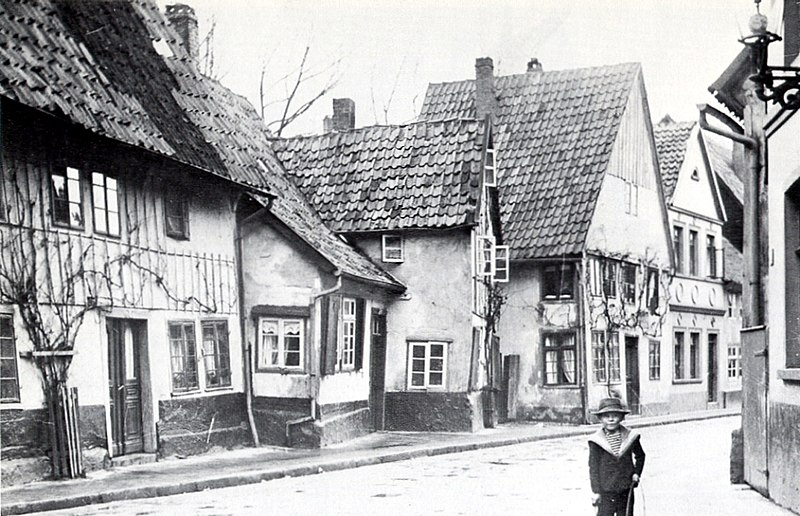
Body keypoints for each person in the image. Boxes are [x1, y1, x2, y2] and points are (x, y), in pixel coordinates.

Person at [588, 397, 646, 516]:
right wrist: (596, 491)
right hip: (606, 491)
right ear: (600, 418)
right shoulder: (596, 441)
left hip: (625, 489)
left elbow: (640, 456)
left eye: (615, 415)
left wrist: (636, 473)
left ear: (622, 417)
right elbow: (593, 467)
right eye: (606, 416)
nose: (611, 419)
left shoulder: (630, 436)